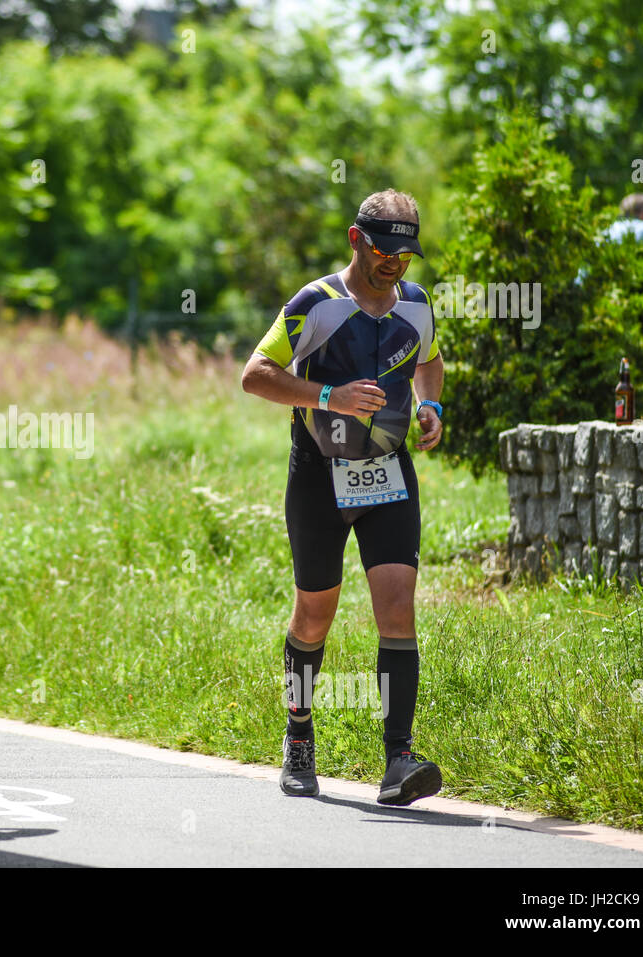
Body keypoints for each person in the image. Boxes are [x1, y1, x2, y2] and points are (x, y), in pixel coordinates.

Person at [240, 189, 445, 806]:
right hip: (318, 476)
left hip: (389, 473)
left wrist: (431, 405)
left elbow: (430, 360)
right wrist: (327, 398)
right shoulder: (316, 303)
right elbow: (254, 374)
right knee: (314, 614)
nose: (396, 265)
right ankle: (299, 738)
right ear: (357, 240)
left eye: (406, 255)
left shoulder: (416, 304)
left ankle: (398, 758)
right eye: (385, 251)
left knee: (397, 607)